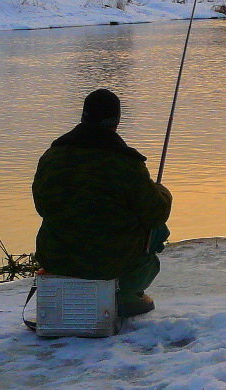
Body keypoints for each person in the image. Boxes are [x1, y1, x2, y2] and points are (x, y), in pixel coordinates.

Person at [32, 88, 172, 318]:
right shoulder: (126, 163)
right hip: (112, 266)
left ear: (83, 117)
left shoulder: (52, 157)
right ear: (116, 122)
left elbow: (42, 206)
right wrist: (162, 191)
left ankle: (75, 289)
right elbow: (156, 213)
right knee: (158, 229)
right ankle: (125, 296)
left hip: (59, 262)